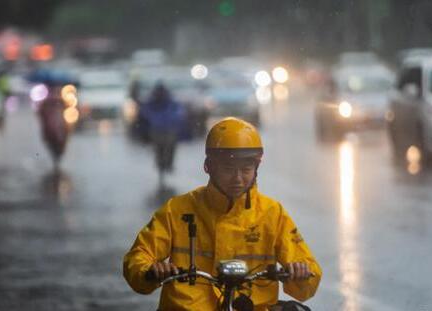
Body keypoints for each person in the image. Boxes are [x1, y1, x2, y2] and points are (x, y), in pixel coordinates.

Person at [123, 117, 322, 310]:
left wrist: (301, 273)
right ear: (208, 167)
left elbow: (309, 276)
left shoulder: (273, 214)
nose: (238, 178)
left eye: (246, 169)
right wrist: (150, 271)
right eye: (228, 169)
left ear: (256, 168)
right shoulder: (177, 210)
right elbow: (138, 257)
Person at [139, 83, 185, 179]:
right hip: (163, 128)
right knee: (165, 148)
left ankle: (165, 165)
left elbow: (145, 112)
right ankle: (164, 165)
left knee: (165, 148)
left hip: (163, 128)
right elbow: (179, 112)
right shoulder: (156, 102)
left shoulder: (163, 101)